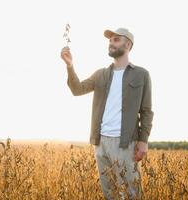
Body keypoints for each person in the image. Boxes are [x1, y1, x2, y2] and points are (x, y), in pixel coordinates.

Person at [60, 27, 154, 199]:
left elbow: (147, 111)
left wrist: (143, 141)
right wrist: (70, 66)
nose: (111, 43)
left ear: (128, 44)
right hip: (101, 142)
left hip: (126, 144)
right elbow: (77, 89)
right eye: (110, 40)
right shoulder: (100, 74)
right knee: (109, 194)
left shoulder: (141, 75)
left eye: (116, 39)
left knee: (133, 193)